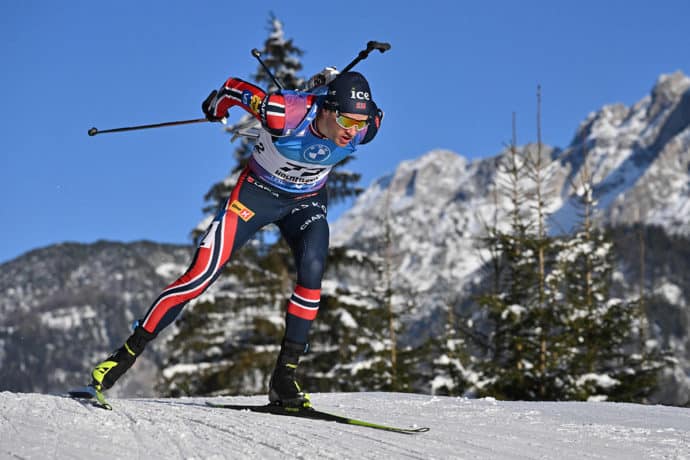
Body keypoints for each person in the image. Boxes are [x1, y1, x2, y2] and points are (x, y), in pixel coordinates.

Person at [87, 69, 383, 408]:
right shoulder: (283, 112)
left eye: (360, 124)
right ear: (327, 109)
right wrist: (216, 106)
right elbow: (233, 87)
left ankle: (284, 380)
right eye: (346, 121)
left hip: (306, 201)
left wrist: (343, 100)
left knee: (313, 274)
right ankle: (124, 355)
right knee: (199, 275)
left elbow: (362, 119)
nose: (352, 132)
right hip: (256, 196)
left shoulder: (368, 127)